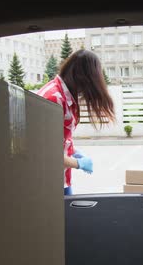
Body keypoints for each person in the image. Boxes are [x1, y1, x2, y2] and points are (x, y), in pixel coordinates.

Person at [36, 49, 115, 195]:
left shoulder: (63, 94)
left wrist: (73, 152)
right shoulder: (54, 99)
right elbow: (46, 153)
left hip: (60, 178)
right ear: (85, 78)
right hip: (48, 181)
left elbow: (57, 140)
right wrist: (78, 163)